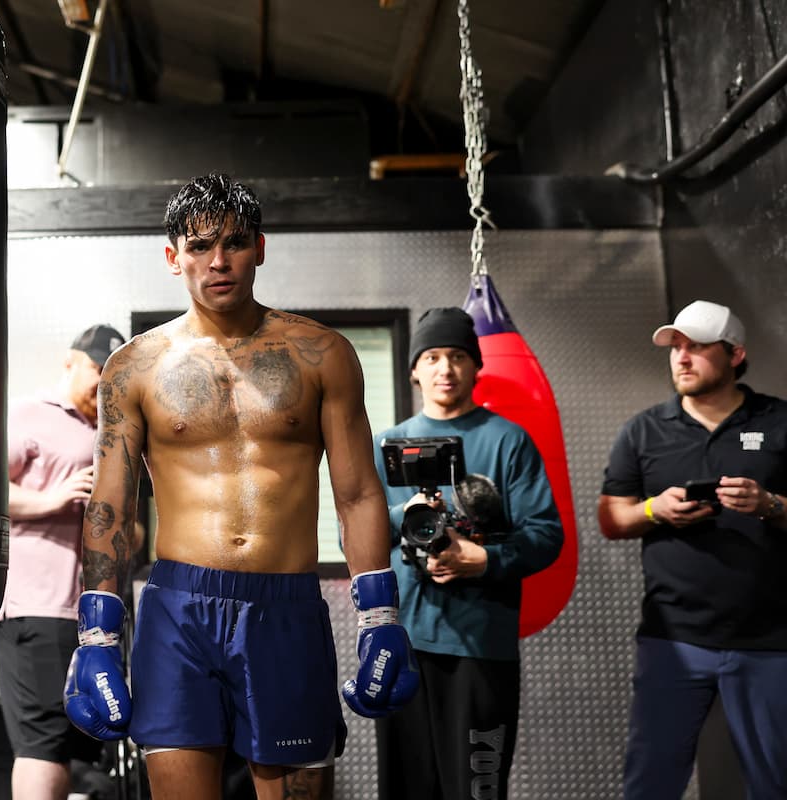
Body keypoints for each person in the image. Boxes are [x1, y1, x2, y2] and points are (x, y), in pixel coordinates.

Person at [61, 174, 418, 800]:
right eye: (198, 245)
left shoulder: (321, 354)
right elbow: (111, 505)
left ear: (260, 246)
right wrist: (96, 633)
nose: (217, 261)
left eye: (233, 242)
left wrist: (380, 617)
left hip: (284, 606)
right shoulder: (134, 366)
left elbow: (359, 493)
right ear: (173, 257)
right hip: (178, 607)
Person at [598, 300, 787, 800]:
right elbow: (611, 518)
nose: (681, 357)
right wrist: (654, 510)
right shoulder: (643, 430)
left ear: (735, 353)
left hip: (771, 640)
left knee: (776, 784)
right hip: (673, 639)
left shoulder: (779, 421)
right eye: (675, 347)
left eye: (697, 346)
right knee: (650, 785)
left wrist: (771, 504)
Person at [371, 307, 563, 800]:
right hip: (404, 642)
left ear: (476, 366)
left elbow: (546, 533)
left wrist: (482, 559)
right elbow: (360, 533)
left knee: (477, 788)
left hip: (481, 642)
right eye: (432, 356)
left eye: (457, 356)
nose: (445, 369)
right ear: (415, 369)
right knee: (407, 788)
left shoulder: (508, 441)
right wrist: (405, 515)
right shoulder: (387, 444)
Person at [0, 324, 125, 800]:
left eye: (111, 373)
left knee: (69, 744)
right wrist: (52, 500)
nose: (101, 380)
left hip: (85, 614)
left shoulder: (107, 429)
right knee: (42, 743)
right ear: (70, 361)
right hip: (34, 605)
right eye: (95, 367)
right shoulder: (30, 414)